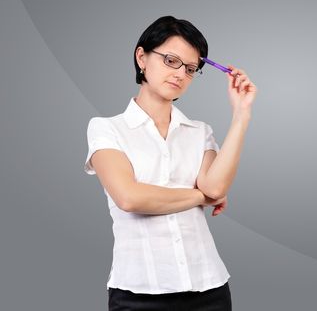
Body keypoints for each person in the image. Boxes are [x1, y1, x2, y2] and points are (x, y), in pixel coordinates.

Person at [84, 16, 257, 311]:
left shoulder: (200, 131)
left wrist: (241, 114)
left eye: (190, 69)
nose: (180, 74)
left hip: (209, 288)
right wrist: (201, 197)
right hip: (138, 293)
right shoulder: (106, 128)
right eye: (170, 60)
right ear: (142, 57)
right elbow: (129, 197)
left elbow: (216, 185)